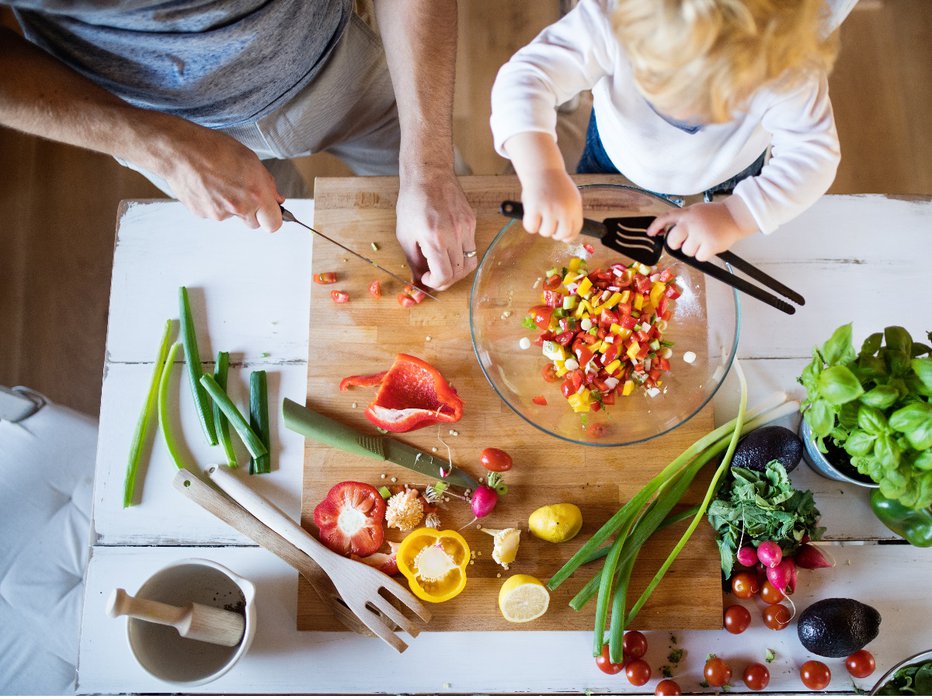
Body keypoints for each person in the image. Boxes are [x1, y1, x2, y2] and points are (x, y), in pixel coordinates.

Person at [0, 1, 476, 290]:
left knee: (449, 223)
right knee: (280, 269)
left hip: (336, 61)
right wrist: (160, 147)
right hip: (155, 124)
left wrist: (428, 168)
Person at [490, 0, 845, 262]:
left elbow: (812, 156)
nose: (684, 115)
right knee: (596, 254)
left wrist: (737, 216)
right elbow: (527, 77)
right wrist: (544, 173)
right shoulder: (615, 15)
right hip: (615, 159)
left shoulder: (787, 63)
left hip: (729, 177)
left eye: (719, 101)